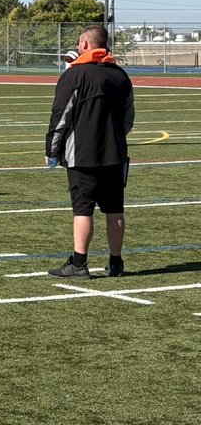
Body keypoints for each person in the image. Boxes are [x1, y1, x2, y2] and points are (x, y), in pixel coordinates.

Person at [45, 24, 134, 278]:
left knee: (83, 209)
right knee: (115, 209)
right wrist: (114, 138)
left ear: (84, 44)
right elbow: (128, 118)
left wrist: (52, 149)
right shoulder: (120, 76)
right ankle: (116, 262)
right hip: (115, 153)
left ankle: (79, 263)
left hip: (82, 154)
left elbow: (60, 116)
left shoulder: (75, 75)